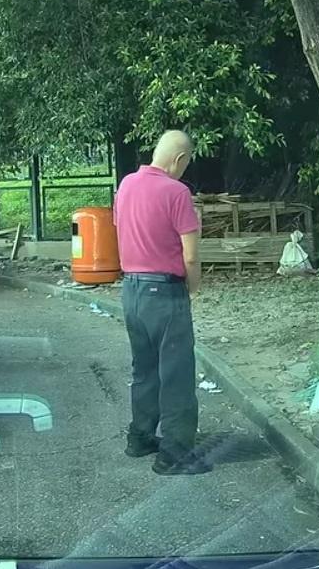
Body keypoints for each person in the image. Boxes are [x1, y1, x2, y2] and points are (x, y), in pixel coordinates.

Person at [113, 129, 209, 475]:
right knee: (176, 374)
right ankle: (175, 453)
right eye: (187, 163)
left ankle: (139, 437)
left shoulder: (126, 186)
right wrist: (192, 288)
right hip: (165, 292)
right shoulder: (177, 192)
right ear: (180, 159)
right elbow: (191, 255)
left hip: (131, 291)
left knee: (145, 369)